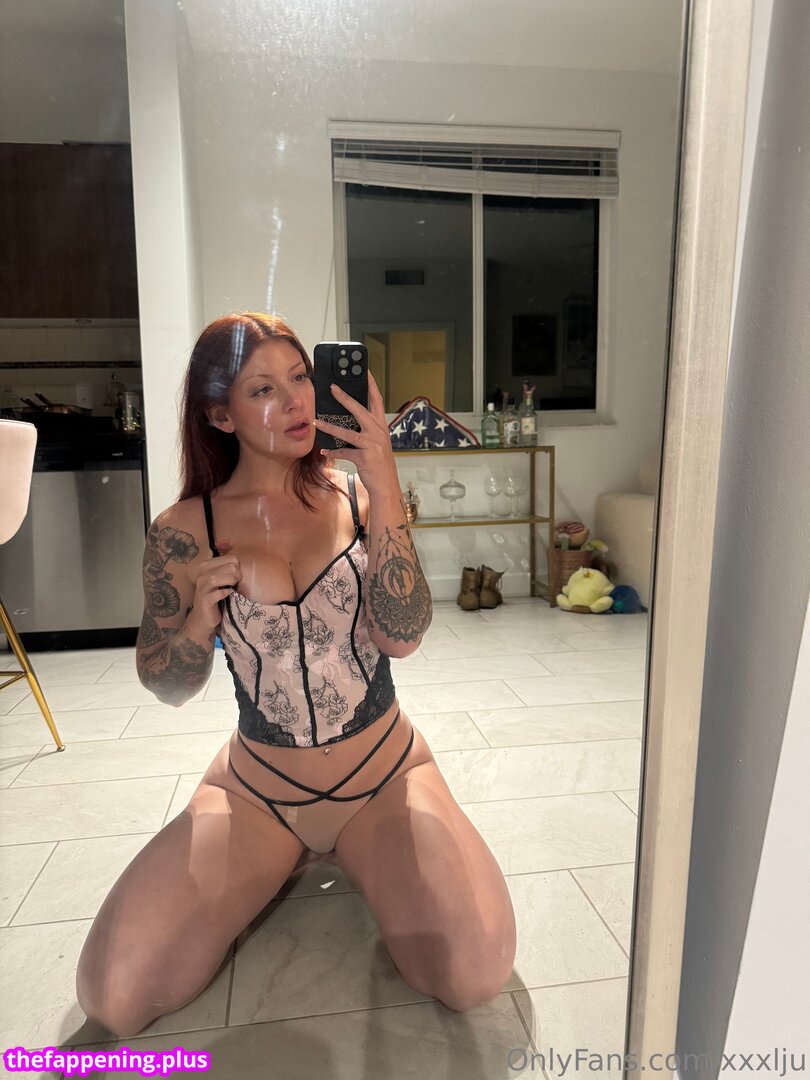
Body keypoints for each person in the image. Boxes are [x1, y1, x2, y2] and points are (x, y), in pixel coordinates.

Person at [75, 312, 517, 1037]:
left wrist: (384, 480)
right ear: (219, 415)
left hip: (383, 774)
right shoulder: (182, 531)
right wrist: (197, 625)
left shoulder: (358, 499)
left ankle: (354, 851)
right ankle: (290, 856)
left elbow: (403, 638)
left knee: (474, 974)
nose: (296, 402)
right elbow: (166, 684)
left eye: (300, 378)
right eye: (262, 390)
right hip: (259, 791)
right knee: (113, 994)